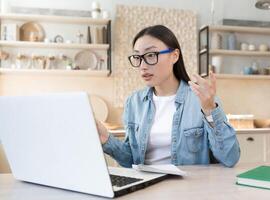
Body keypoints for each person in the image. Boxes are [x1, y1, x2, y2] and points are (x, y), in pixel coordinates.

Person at [97, 25, 240, 168]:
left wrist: (210, 110)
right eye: (137, 57)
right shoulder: (134, 102)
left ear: (174, 56)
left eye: (151, 55)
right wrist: (106, 139)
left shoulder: (201, 99)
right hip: (147, 186)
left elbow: (230, 157)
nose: (143, 66)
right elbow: (131, 160)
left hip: (189, 188)